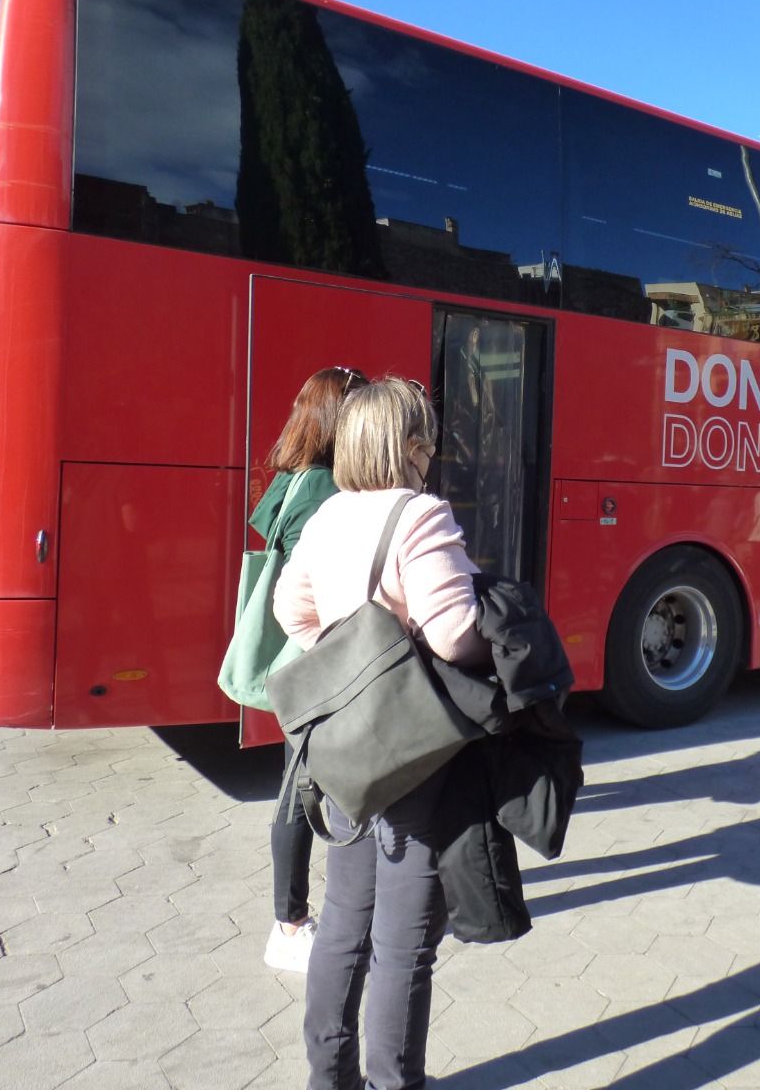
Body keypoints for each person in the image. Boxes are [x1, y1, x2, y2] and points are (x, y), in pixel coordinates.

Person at [274, 376, 486, 1090]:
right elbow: (455, 636)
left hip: (346, 753)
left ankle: (328, 1078)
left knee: (341, 924)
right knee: (404, 945)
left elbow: (289, 612)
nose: (431, 454)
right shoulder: (421, 515)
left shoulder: (328, 515)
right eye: (426, 440)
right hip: (413, 755)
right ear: (412, 446)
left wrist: (346, 662)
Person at [252, 366, 366, 974]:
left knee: (298, 778)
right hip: (313, 656)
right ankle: (288, 925)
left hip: (289, 657)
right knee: (298, 789)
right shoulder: (326, 491)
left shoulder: (291, 479)